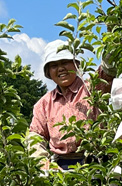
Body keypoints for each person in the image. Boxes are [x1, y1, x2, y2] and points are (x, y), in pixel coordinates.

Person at [29, 40, 115, 170]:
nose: (60, 68)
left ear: (76, 65)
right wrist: (43, 164)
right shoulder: (44, 104)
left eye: (65, 62)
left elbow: (109, 68)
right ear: (48, 72)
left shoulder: (92, 87)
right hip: (61, 168)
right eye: (54, 65)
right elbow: (36, 136)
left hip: (96, 164)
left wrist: (113, 32)